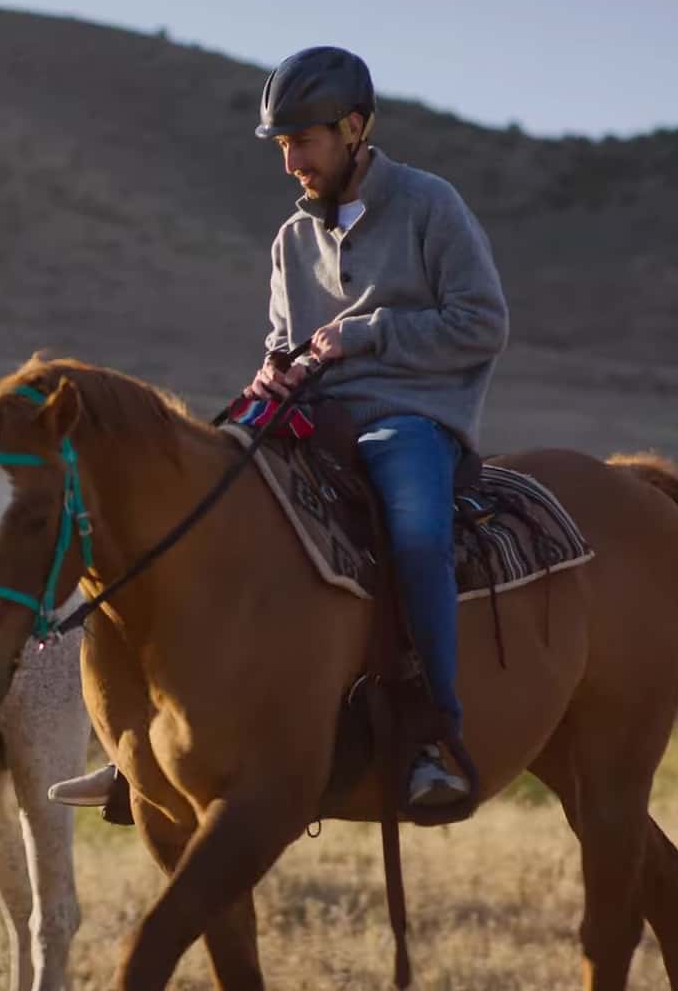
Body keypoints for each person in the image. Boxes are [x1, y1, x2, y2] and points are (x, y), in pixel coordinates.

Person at [51, 47, 509, 812]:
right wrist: (274, 370)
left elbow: (482, 322)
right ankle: (143, 742)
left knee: (418, 539)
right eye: (282, 144)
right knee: (193, 520)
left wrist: (366, 336)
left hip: (409, 421)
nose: (291, 159)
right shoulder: (291, 240)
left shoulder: (432, 206)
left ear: (355, 128)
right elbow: (282, 337)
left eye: (304, 140)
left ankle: (431, 735)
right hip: (306, 419)